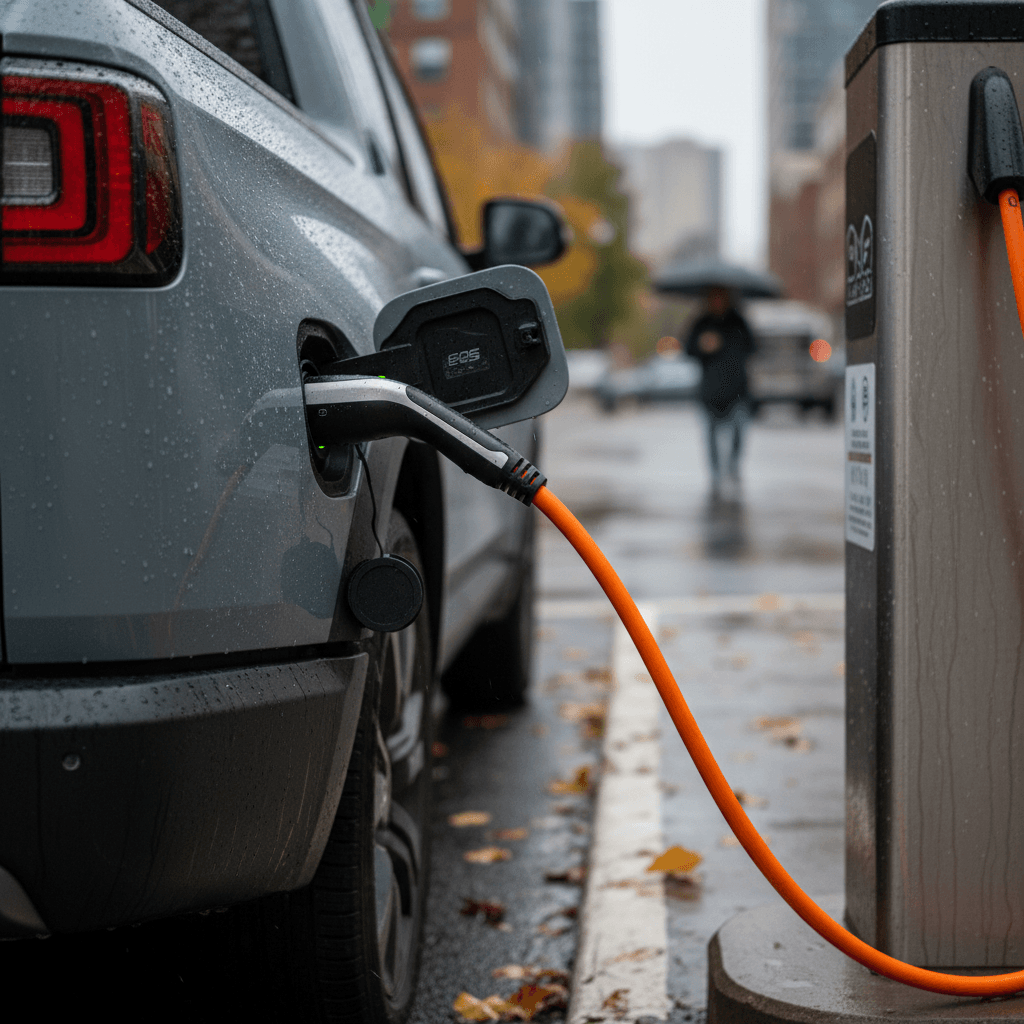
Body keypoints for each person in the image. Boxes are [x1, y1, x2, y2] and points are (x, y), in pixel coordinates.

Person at [684, 286, 756, 487]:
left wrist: (724, 343)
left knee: (739, 431)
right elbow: (688, 349)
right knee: (710, 434)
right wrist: (702, 345)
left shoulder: (739, 321)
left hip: (738, 389)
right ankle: (715, 473)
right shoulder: (701, 322)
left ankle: (733, 466)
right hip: (710, 390)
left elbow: (752, 347)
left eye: (720, 297)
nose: (717, 301)